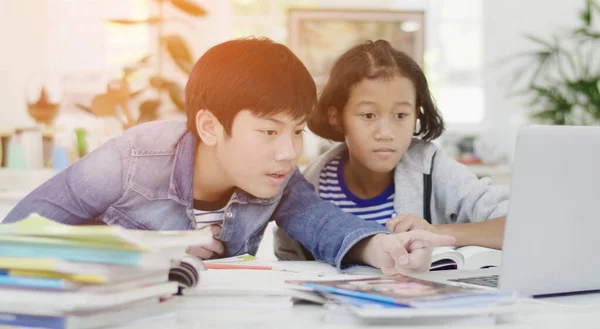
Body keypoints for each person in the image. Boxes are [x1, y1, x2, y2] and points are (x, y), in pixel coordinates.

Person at [3, 38, 455, 274]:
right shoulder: (133, 158)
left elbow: (322, 223)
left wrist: (386, 249)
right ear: (209, 127)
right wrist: (144, 252)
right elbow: (17, 237)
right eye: (268, 131)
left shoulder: (276, 174)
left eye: (297, 130)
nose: (288, 151)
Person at [275, 39, 508, 261]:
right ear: (337, 117)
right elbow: (292, 272)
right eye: (368, 115)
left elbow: (522, 223)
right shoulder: (306, 191)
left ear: (416, 114)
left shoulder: (432, 167)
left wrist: (437, 233)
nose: (386, 132)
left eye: (400, 115)